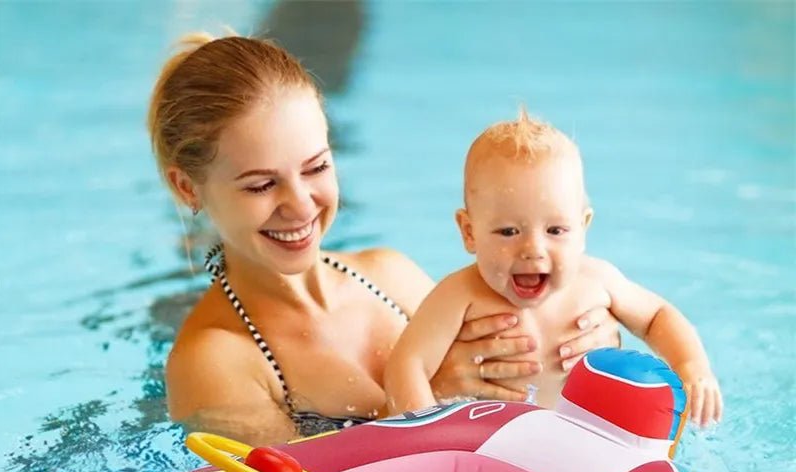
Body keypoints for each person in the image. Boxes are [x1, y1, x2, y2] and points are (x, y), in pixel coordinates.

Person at [148, 34, 620, 446]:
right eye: (261, 185)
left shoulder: (388, 275)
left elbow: (524, 335)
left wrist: (584, 338)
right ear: (188, 187)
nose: (301, 204)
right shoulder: (214, 360)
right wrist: (434, 398)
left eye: (317, 168)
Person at [385, 109, 722, 427]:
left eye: (556, 231)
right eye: (508, 232)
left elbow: (657, 315)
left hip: (584, 432)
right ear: (469, 232)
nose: (532, 250)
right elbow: (407, 364)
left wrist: (692, 367)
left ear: (583, 227)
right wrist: (425, 435)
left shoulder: (596, 282)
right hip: (493, 443)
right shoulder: (459, 296)